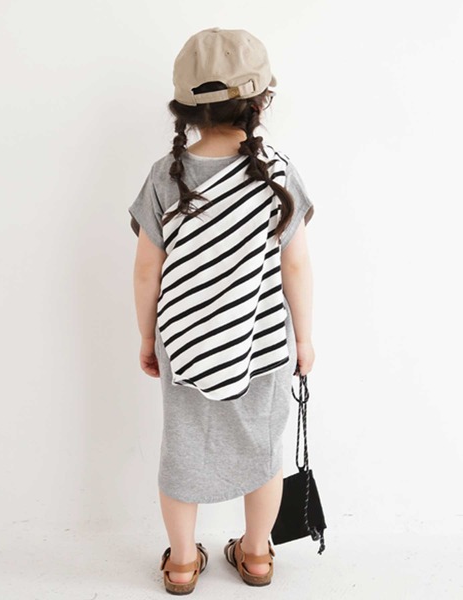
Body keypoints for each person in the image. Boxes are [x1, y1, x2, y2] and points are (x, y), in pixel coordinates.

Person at [129, 27, 315, 594]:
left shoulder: (166, 175)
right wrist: (305, 339)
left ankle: (183, 563)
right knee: (263, 450)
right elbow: (296, 267)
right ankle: (256, 556)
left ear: (185, 108)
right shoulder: (277, 173)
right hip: (262, 344)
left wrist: (147, 338)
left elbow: (146, 271)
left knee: (182, 451)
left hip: (185, 344)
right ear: (261, 102)